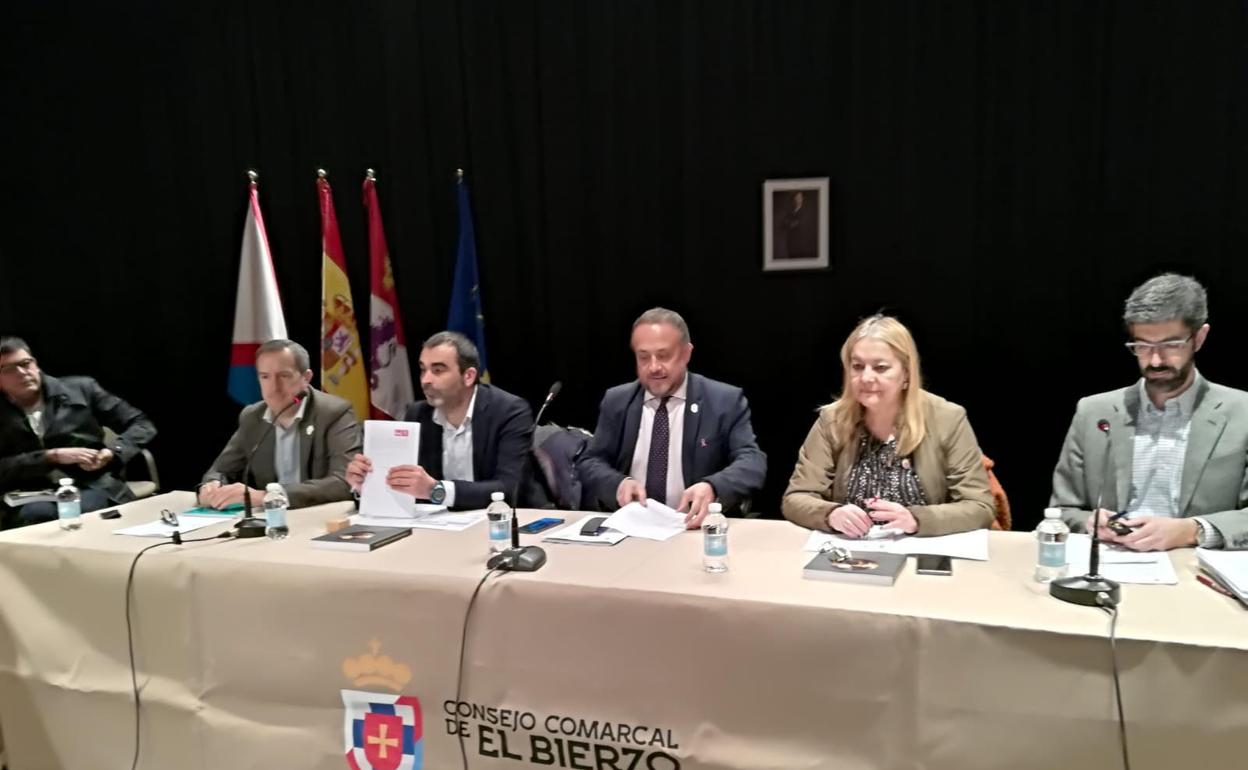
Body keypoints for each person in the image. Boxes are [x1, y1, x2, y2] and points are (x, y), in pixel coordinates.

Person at [1051, 273, 1248, 551]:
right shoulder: (1093, 412)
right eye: (1142, 346)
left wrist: (1192, 530)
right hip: (1109, 562)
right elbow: (1061, 512)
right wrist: (1090, 523)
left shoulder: (1242, 412)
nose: (1155, 360)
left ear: (1199, 338)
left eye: (1171, 345)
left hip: (1194, 565)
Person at [782, 315, 994, 536]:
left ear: (906, 373)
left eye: (880, 368)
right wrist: (830, 514)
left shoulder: (947, 419)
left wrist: (917, 519)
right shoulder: (832, 420)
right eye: (857, 366)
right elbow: (796, 498)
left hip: (922, 549)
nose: (866, 377)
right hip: (851, 549)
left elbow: (980, 507)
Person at [577, 307, 767, 528]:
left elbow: (752, 461)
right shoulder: (617, 401)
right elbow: (590, 462)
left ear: (686, 353)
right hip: (633, 528)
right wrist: (618, 484)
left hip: (697, 527)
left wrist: (713, 487)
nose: (654, 367)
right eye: (643, 357)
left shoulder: (723, 400)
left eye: (664, 356)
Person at [345, 331, 533, 510]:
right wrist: (366, 485)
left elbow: (508, 488)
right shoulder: (417, 414)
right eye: (423, 370)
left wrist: (435, 490)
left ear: (468, 376)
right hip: (440, 524)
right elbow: (405, 490)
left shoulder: (509, 411)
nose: (425, 380)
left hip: (499, 521)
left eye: (437, 370)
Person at [0, 336, 157, 528]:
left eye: (26, 363)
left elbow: (141, 424)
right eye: (8, 369)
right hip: (29, 490)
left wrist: (113, 451)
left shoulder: (81, 389)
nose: (22, 372)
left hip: (91, 482)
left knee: (91, 512)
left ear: (36, 363)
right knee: (37, 517)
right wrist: (51, 457)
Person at [199, 339, 360, 509]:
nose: (274, 387)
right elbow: (220, 471)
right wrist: (210, 487)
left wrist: (267, 497)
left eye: (284, 376)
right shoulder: (252, 417)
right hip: (271, 519)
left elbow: (344, 483)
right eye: (265, 377)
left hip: (319, 515)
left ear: (306, 378)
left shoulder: (334, 413)